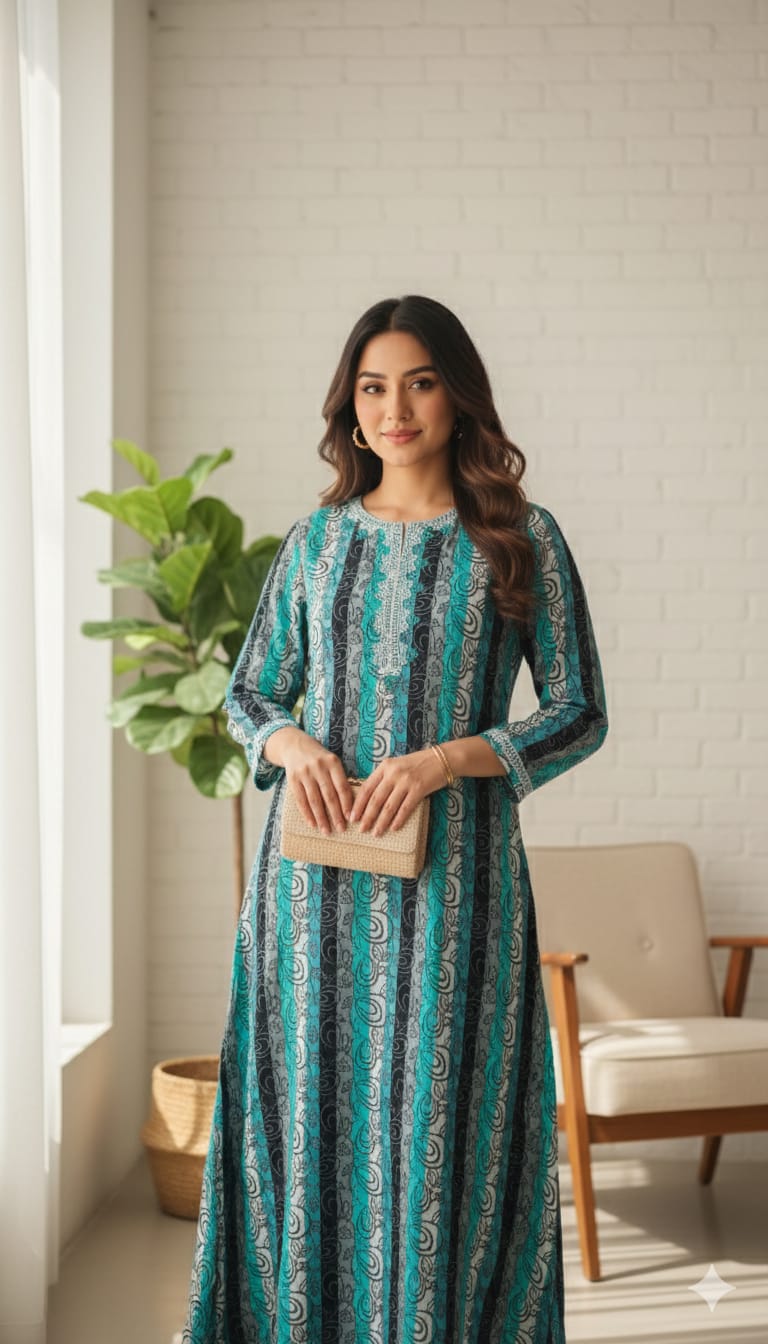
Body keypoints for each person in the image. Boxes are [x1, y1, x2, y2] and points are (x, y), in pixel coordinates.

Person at [180, 294, 608, 1344]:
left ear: (457, 398)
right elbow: (250, 694)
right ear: (351, 406)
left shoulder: (518, 538)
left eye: (419, 383)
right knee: (308, 1125)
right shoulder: (316, 542)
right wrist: (296, 745)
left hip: (457, 890)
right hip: (309, 895)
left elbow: (577, 711)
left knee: (441, 1130)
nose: (396, 409)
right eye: (373, 388)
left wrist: (448, 760)